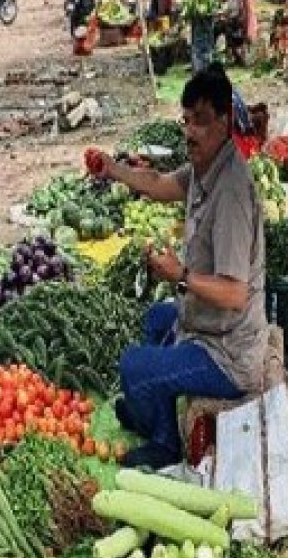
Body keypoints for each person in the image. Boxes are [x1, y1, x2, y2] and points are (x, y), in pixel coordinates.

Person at [89, 64, 267, 469]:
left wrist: (181, 276)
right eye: (186, 120)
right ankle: (150, 406)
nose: (190, 132)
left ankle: (164, 442)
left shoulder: (231, 194)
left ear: (223, 122)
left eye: (201, 122)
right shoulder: (206, 169)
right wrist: (112, 169)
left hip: (228, 353)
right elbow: (159, 184)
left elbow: (236, 294)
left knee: (134, 364)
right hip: (206, 324)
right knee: (154, 317)